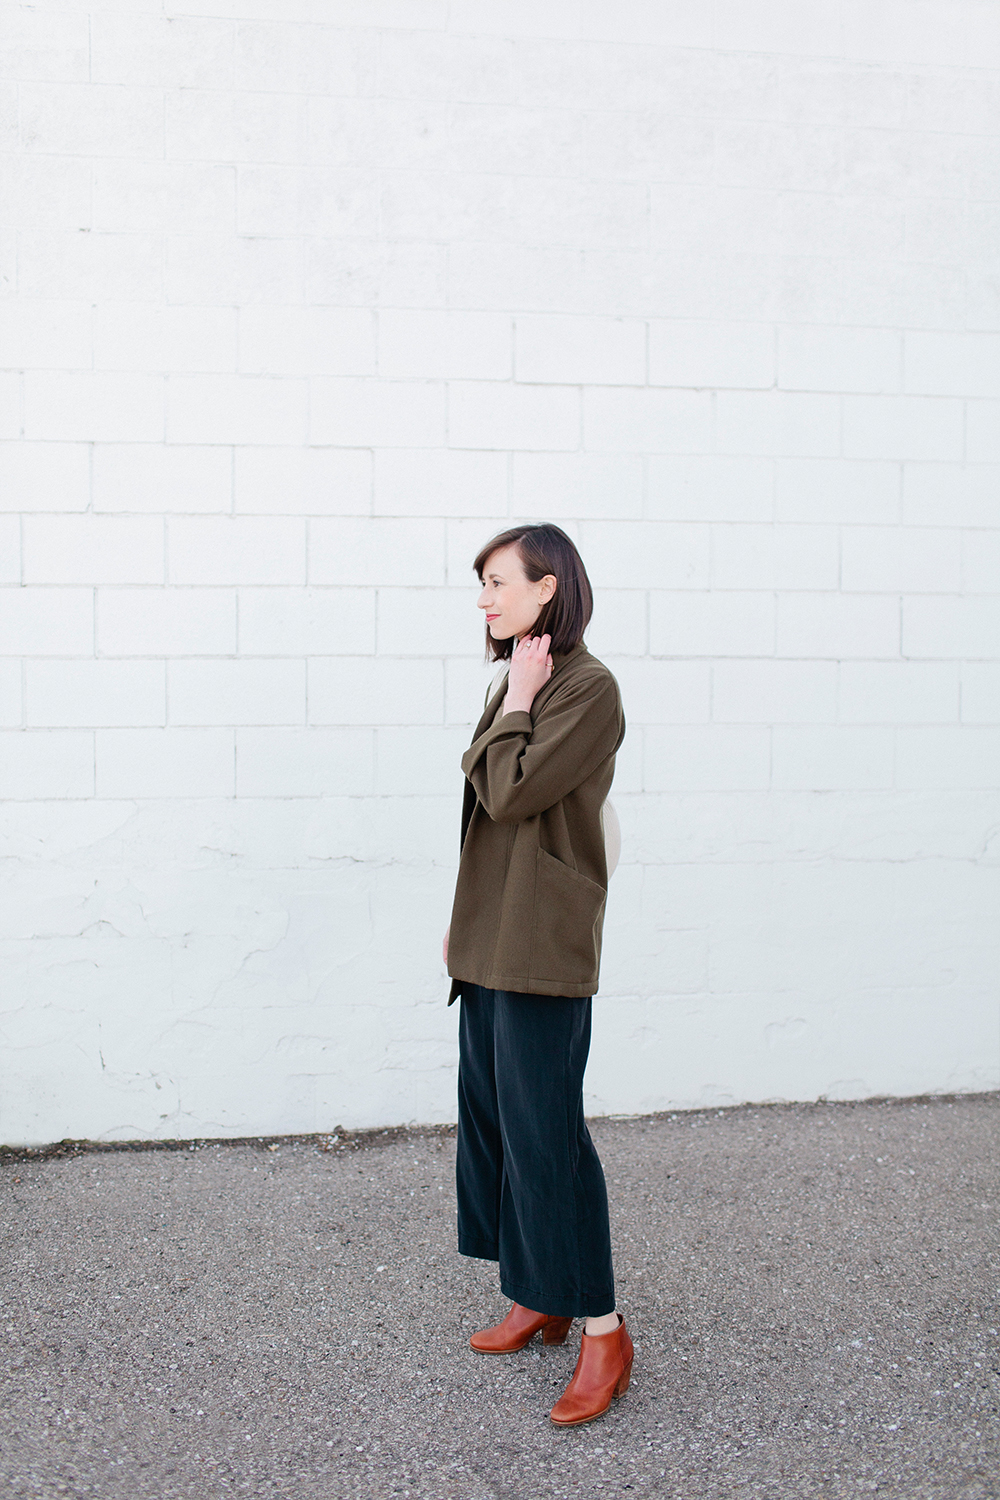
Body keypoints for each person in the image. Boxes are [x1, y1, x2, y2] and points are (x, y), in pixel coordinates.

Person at [442, 522, 632, 1428]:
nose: (484, 598)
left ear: (547, 588)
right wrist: (462, 937)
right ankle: (537, 1292)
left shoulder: (587, 687)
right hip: (492, 939)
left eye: (496, 582)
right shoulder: (520, 678)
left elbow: (512, 790)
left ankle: (603, 1331)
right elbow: (484, 793)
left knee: (547, 1136)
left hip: (543, 946)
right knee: (495, 1124)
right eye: (481, 584)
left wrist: (518, 700)